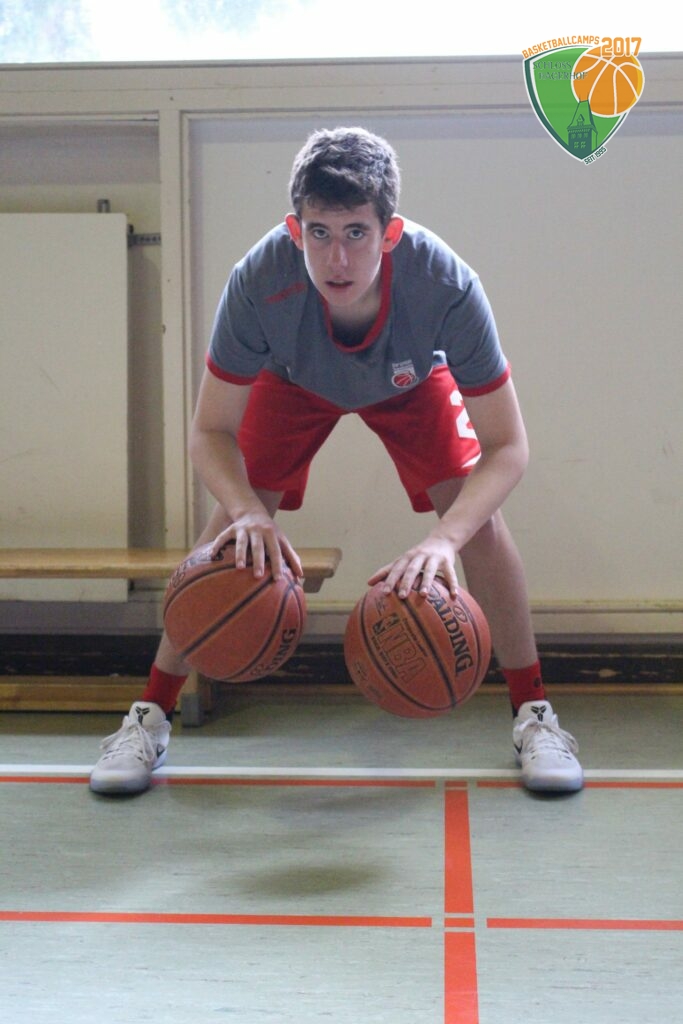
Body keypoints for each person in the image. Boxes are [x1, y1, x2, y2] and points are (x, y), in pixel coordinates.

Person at [90, 126, 583, 796]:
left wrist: (443, 539)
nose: (337, 257)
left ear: (389, 232)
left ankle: (536, 715)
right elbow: (209, 432)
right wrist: (247, 512)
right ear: (294, 229)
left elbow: (509, 447)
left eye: (356, 232)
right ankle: (148, 716)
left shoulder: (445, 284)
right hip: (293, 379)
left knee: (477, 524)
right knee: (230, 533)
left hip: (409, 381)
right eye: (319, 233)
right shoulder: (259, 280)